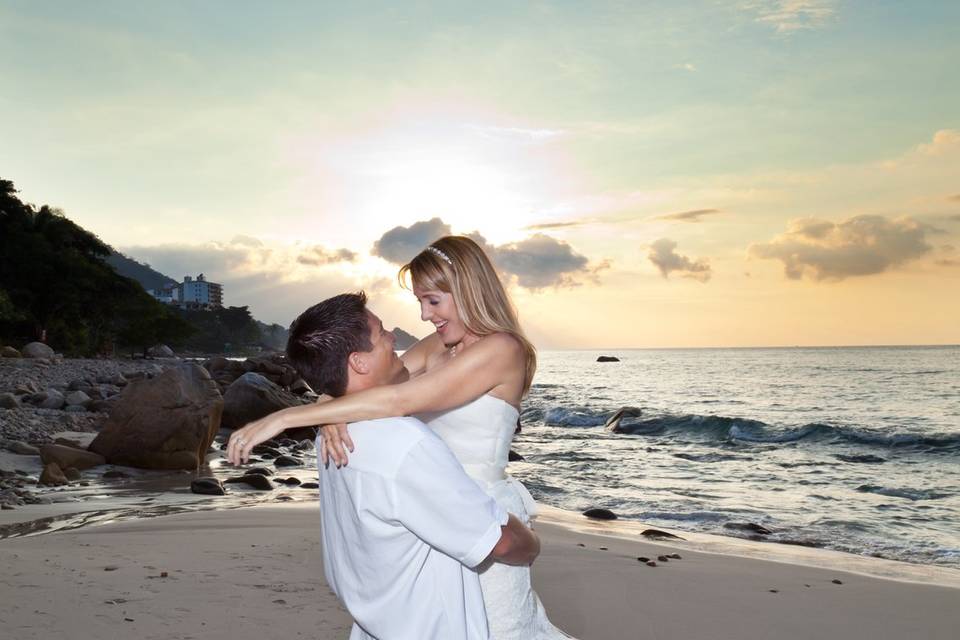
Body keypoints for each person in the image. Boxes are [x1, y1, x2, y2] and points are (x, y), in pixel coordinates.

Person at [227, 236, 573, 640]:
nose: (425, 316)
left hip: (477, 515)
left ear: (467, 290)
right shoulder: (437, 347)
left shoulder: (502, 349)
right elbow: (364, 383)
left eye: (433, 301)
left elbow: (397, 398)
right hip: (425, 512)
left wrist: (290, 415)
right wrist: (328, 405)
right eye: (420, 303)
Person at [262, 292, 539, 639]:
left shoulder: (331, 437)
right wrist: (532, 545)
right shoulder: (402, 443)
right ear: (359, 362)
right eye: (381, 334)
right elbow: (498, 542)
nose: (393, 335)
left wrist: (325, 403)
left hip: (378, 622)